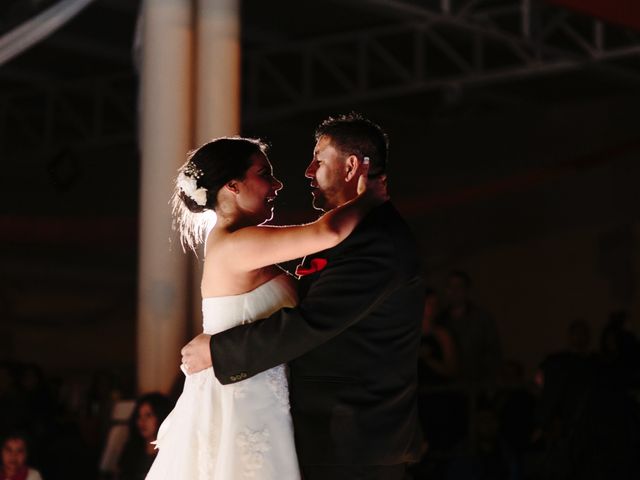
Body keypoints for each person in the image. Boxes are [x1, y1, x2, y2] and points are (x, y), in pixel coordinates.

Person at [182, 113, 425, 480]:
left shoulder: (376, 240)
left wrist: (217, 351)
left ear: (351, 167)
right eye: (265, 174)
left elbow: (314, 321)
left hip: (352, 437)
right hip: (290, 421)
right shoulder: (333, 232)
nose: (307, 172)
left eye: (319, 160)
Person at [146, 135, 385, 479]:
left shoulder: (235, 240)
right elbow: (328, 232)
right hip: (245, 404)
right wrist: (368, 198)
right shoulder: (236, 243)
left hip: (258, 395)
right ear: (233, 185)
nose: (277, 184)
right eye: (264, 174)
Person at [118, 393, 170, 480]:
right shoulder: (130, 451)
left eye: (148, 415)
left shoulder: (170, 453)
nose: (142, 421)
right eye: (139, 416)